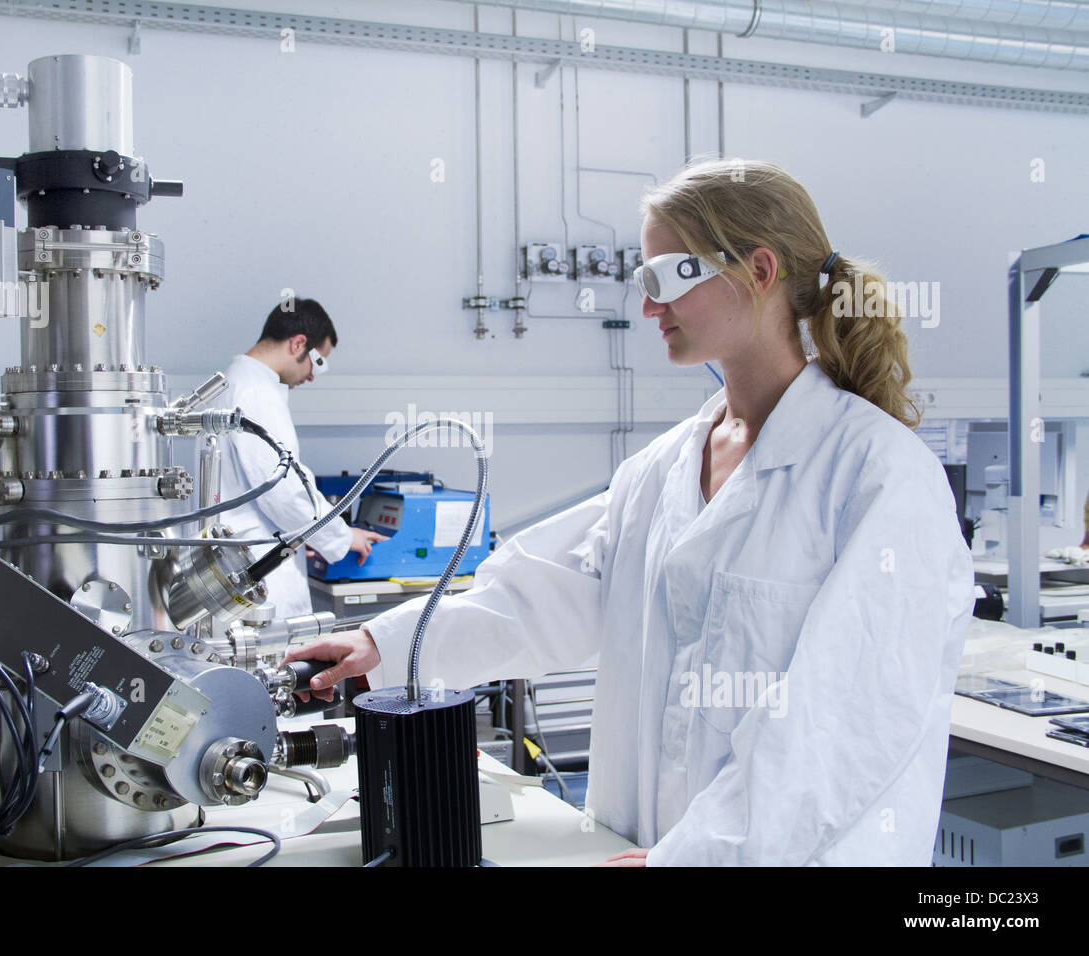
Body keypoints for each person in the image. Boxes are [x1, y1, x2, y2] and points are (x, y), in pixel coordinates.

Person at [283, 159, 976, 866]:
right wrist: (391, 647)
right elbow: (547, 596)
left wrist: (698, 857)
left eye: (668, 278)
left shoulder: (880, 477)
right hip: (636, 846)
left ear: (760, 271)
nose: (648, 307)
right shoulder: (666, 467)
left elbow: (844, 725)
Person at [217, 297, 384, 620]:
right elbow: (284, 490)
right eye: (317, 363)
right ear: (298, 344)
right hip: (259, 568)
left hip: (246, 557)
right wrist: (343, 536)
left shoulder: (235, 382)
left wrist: (308, 534)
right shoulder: (256, 394)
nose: (312, 376)